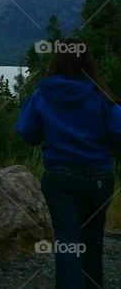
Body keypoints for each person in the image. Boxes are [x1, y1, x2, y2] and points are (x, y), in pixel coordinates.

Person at [16, 38, 121, 289]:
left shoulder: (43, 94)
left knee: (67, 244)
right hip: (99, 178)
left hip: (60, 179)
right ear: (88, 62)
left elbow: (26, 132)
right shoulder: (101, 96)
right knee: (93, 242)